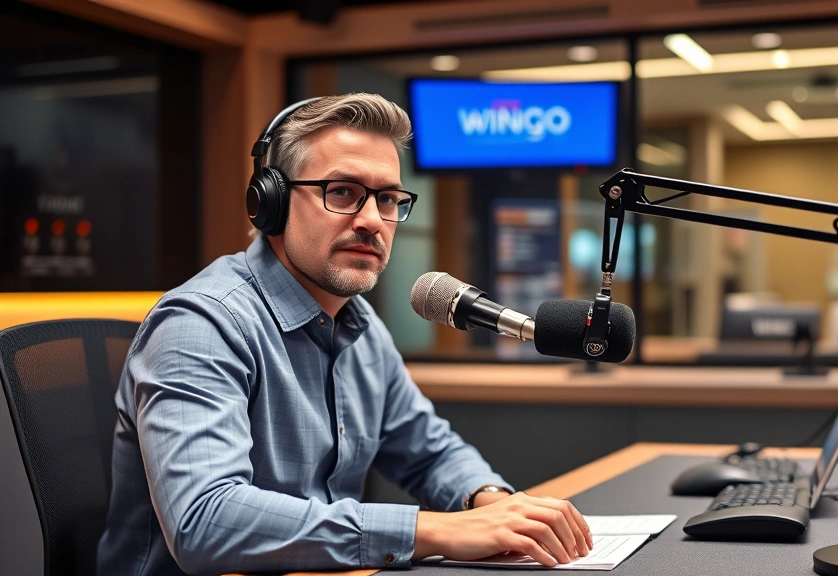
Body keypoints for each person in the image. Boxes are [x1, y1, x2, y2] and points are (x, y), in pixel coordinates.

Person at [97, 94, 592, 575]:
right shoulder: (202, 324)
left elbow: (429, 450)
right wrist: (436, 531)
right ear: (269, 201)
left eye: (389, 198)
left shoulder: (360, 325)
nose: (373, 221)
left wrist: (495, 508)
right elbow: (205, 521)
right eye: (343, 193)